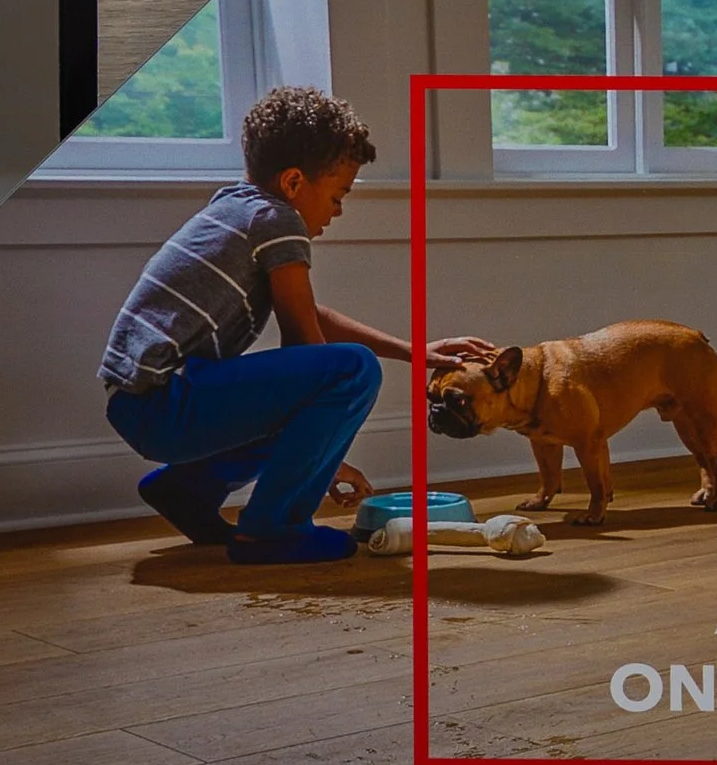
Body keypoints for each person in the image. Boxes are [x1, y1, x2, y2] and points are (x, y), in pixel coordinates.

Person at [99, 81, 499, 562]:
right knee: (352, 369)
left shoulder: (237, 206)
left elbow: (311, 319)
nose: (339, 209)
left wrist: (417, 353)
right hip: (165, 404)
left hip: (146, 402)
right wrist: (326, 463)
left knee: (321, 377)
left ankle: (188, 489)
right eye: (337, 194)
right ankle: (274, 528)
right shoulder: (277, 220)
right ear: (293, 183)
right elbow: (304, 343)